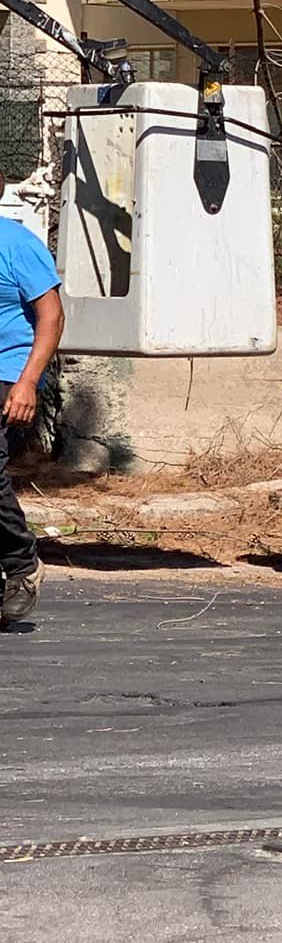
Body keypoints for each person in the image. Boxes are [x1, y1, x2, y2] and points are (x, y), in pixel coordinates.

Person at [0, 210, 61, 631]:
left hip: (7, 372)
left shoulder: (17, 244)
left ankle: (22, 562)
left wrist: (28, 382)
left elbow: (52, 316)